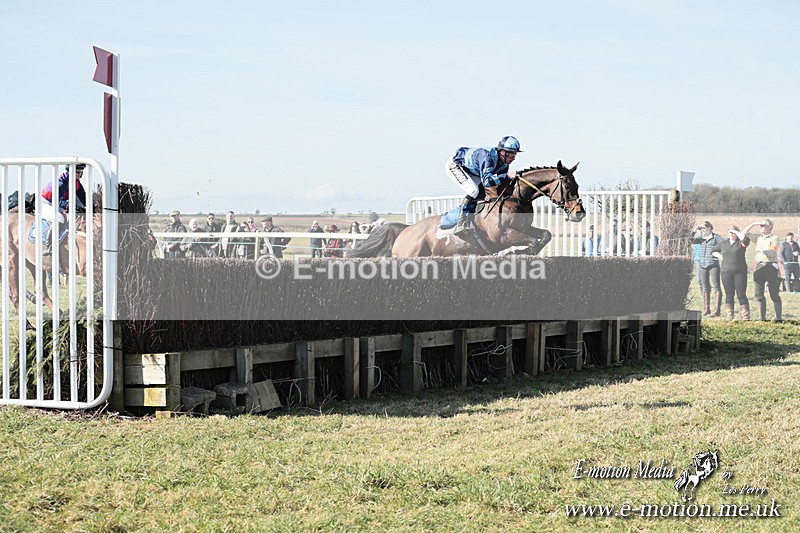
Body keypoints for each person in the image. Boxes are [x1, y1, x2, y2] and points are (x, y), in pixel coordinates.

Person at [446, 135, 521, 237]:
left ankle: (473, 219)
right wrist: (507, 176)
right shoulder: (488, 157)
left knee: (482, 192)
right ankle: (461, 223)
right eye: (512, 155)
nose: (514, 158)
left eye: (515, 155)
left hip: (473, 170)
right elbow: (487, 181)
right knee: (474, 191)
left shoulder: (504, 163)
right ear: (503, 152)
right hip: (455, 166)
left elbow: (498, 182)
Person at [40, 163, 88, 255]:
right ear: (69, 172)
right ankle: (48, 246)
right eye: (76, 171)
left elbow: (84, 199)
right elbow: (58, 202)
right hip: (47, 204)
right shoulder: (61, 183)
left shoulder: (76, 182)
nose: (78, 174)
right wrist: (68, 205)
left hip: (57, 203)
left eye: (80, 171)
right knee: (60, 218)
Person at [743, 219, 781, 321]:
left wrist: (762, 251)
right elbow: (743, 233)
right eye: (761, 225)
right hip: (760, 266)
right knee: (758, 294)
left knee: (774, 293)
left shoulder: (775, 238)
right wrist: (753, 224)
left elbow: (772, 251)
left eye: (765, 225)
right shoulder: (758, 237)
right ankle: (762, 317)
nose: (762, 227)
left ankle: (778, 318)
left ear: (770, 227)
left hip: (771, 266)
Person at [712, 225, 751, 320]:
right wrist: (720, 256)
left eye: (734, 233)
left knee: (741, 294)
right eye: (730, 232)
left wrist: (737, 232)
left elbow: (746, 241)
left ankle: (745, 317)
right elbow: (713, 251)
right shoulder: (723, 243)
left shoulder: (740, 243)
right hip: (726, 272)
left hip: (740, 272)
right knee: (729, 294)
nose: (732, 234)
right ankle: (729, 316)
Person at [691, 221, 724, 317]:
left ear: (710, 228)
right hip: (702, 264)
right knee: (705, 286)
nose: (703, 230)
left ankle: (717, 310)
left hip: (713, 264)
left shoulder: (716, 237)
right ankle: (706, 309)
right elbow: (691, 240)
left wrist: (719, 254)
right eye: (702, 229)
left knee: (716, 286)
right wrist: (695, 230)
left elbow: (724, 244)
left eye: (705, 228)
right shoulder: (700, 239)